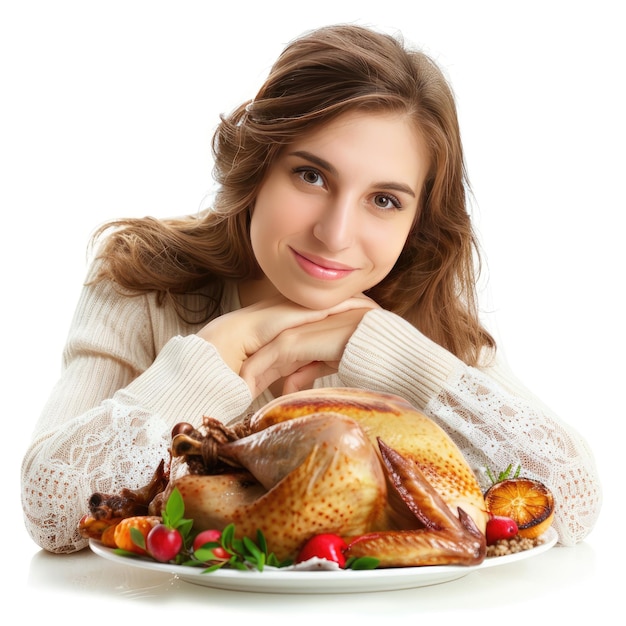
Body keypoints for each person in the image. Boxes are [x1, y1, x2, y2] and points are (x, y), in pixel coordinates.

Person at [21, 23, 601, 555]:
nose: (335, 234)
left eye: (384, 200)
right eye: (311, 175)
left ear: (416, 221)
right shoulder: (142, 281)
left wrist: (398, 360)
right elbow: (50, 513)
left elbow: (572, 501)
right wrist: (212, 356)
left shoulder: (425, 317)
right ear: (258, 163)